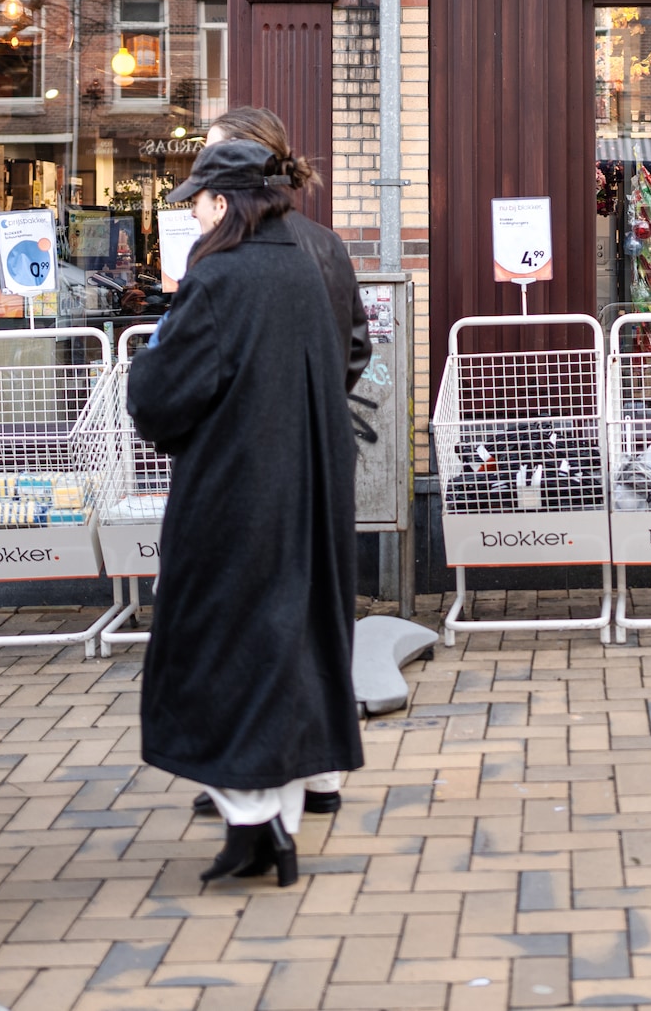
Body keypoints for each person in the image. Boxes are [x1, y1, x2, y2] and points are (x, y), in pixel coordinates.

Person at [128, 139, 362, 887]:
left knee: (217, 644)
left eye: (198, 199)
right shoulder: (309, 262)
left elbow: (163, 395)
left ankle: (252, 822)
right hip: (312, 483)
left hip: (233, 491)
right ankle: (271, 828)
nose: (193, 212)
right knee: (290, 645)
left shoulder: (218, 276)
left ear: (224, 203)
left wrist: (148, 365)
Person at [202, 107, 372, 392]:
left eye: (211, 156)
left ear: (241, 161)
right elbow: (357, 346)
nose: (204, 169)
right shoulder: (328, 242)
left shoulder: (230, 243)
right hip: (319, 423)